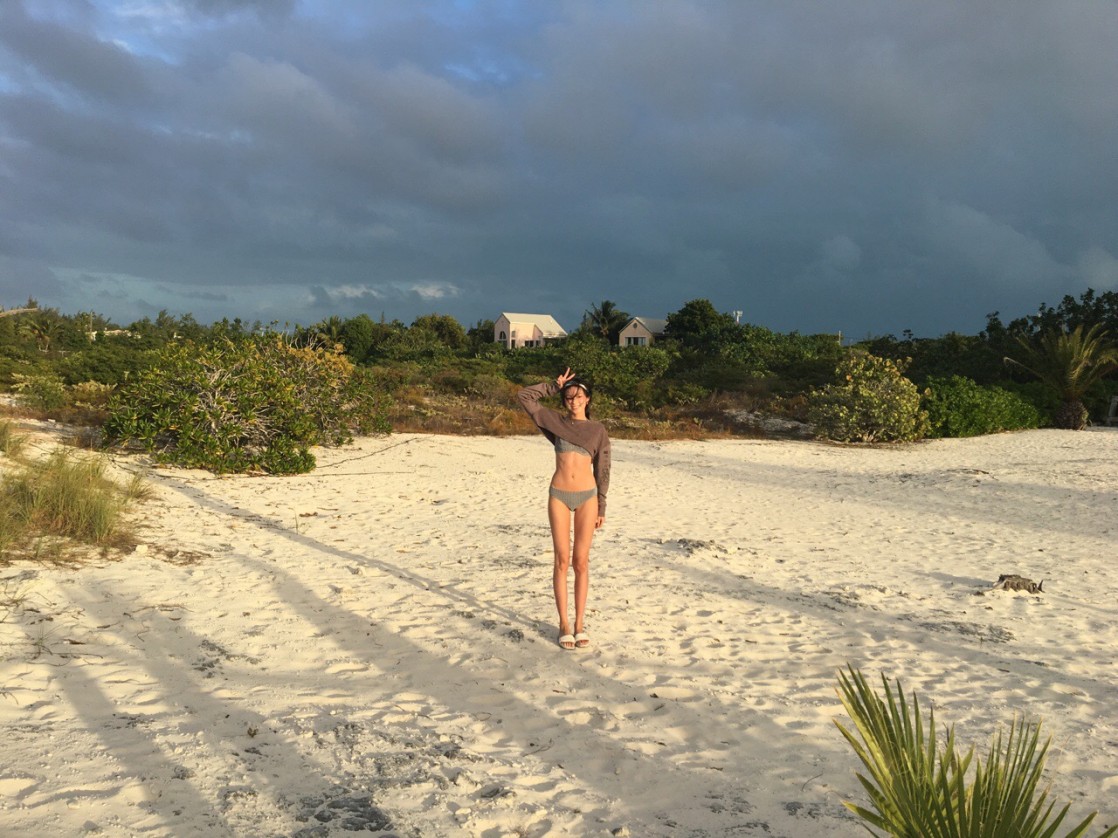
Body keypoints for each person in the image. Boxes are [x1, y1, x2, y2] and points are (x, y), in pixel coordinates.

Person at [517, 368, 611, 650]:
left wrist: (602, 505)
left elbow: (603, 469)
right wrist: (553, 386)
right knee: (561, 560)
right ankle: (564, 624)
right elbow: (524, 397)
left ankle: (580, 623)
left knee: (580, 562)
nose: (573, 401)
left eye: (578, 396)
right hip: (558, 494)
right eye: (569, 397)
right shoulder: (554, 422)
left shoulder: (597, 431)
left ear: (588, 399)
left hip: (587, 498)